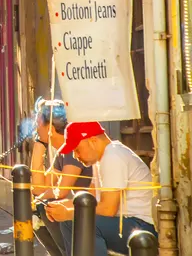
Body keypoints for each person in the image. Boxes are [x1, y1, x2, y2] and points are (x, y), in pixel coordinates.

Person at [45, 122, 156, 256]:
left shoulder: (113, 156)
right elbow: (89, 200)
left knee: (76, 221)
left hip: (140, 226)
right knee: (71, 220)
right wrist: (64, 206)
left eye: (77, 149)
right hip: (128, 223)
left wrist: (68, 212)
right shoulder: (102, 159)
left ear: (93, 141)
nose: (75, 156)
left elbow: (108, 209)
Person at [29, 99, 92, 256]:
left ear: (49, 128)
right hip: (80, 209)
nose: (35, 128)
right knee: (38, 208)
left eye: (37, 123)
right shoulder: (62, 151)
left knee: (47, 205)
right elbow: (39, 188)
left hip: (93, 210)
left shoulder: (72, 148)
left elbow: (60, 191)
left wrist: (38, 200)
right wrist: (38, 145)